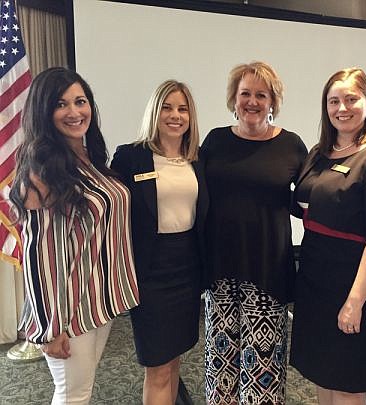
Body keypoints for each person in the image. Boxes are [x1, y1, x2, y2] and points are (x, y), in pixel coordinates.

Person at [9, 67, 139, 404]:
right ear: (43, 111)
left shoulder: (89, 158)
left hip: (96, 301)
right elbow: (39, 255)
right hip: (64, 311)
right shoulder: (42, 168)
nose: (74, 112)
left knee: (82, 387)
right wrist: (52, 327)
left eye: (80, 101)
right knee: (72, 393)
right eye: (61, 104)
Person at [289, 68, 366, 405]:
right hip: (314, 278)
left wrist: (355, 302)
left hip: (353, 283)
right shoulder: (317, 154)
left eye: (351, 99)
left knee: (347, 382)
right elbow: (304, 204)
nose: (342, 108)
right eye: (334, 100)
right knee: (322, 373)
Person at [201, 61, 307, 404]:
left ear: (273, 102)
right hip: (219, 270)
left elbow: (306, 200)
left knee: (263, 368)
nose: (252, 101)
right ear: (234, 97)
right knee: (221, 366)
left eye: (261, 95)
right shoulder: (215, 141)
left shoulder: (291, 146)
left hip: (267, 270)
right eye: (245, 93)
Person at [111, 80, 207, 405]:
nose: (175, 115)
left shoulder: (197, 159)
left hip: (188, 269)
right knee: (158, 367)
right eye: (167, 107)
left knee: (176, 358)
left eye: (182, 109)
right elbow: (112, 212)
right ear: (155, 111)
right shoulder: (130, 157)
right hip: (150, 274)